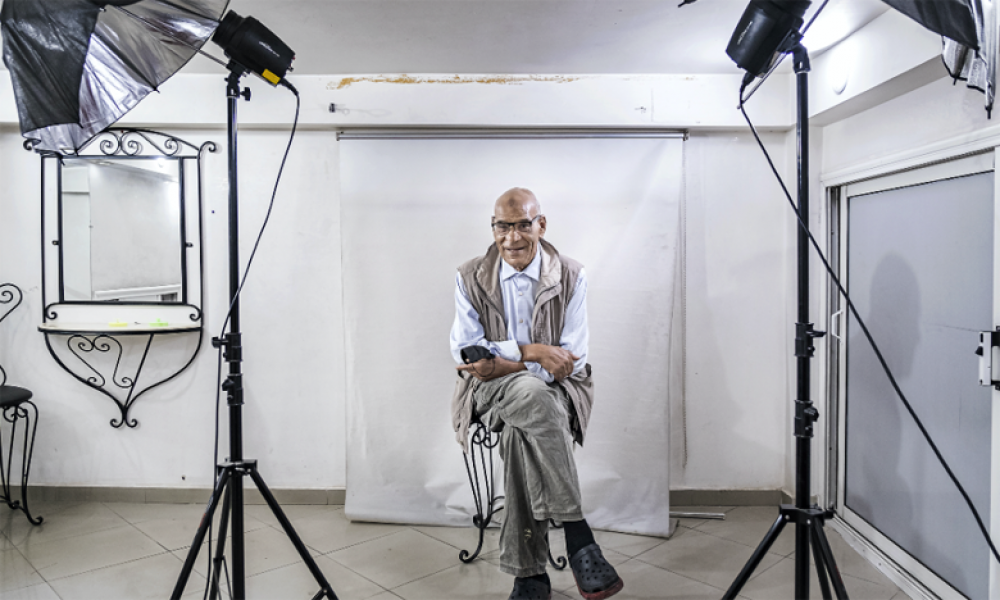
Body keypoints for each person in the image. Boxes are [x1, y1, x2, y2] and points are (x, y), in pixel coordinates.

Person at [450, 188, 624, 600]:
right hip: (489, 392)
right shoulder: (469, 275)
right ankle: (578, 534)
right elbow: (469, 359)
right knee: (531, 389)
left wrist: (507, 358)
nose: (512, 237)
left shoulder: (571, 274)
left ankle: (529, 577)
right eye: (502, 226)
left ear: (540, 225)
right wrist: (535, 353)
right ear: (493, 229)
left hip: (558, 392)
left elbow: (571, 364)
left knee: (520, 429)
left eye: (523, 225)